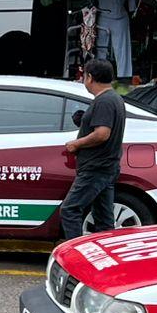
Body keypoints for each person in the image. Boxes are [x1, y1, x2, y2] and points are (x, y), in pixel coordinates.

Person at [60, 58, 126, 239]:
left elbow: (102, 133)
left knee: (70, 210)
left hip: (96, 168)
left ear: (90, 77)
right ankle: (105, 259)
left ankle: (76, 257)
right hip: (106, 167)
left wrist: (76, 144)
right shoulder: (114, 99)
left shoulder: (104, 101)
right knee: (104, 221)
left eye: (84, 76)